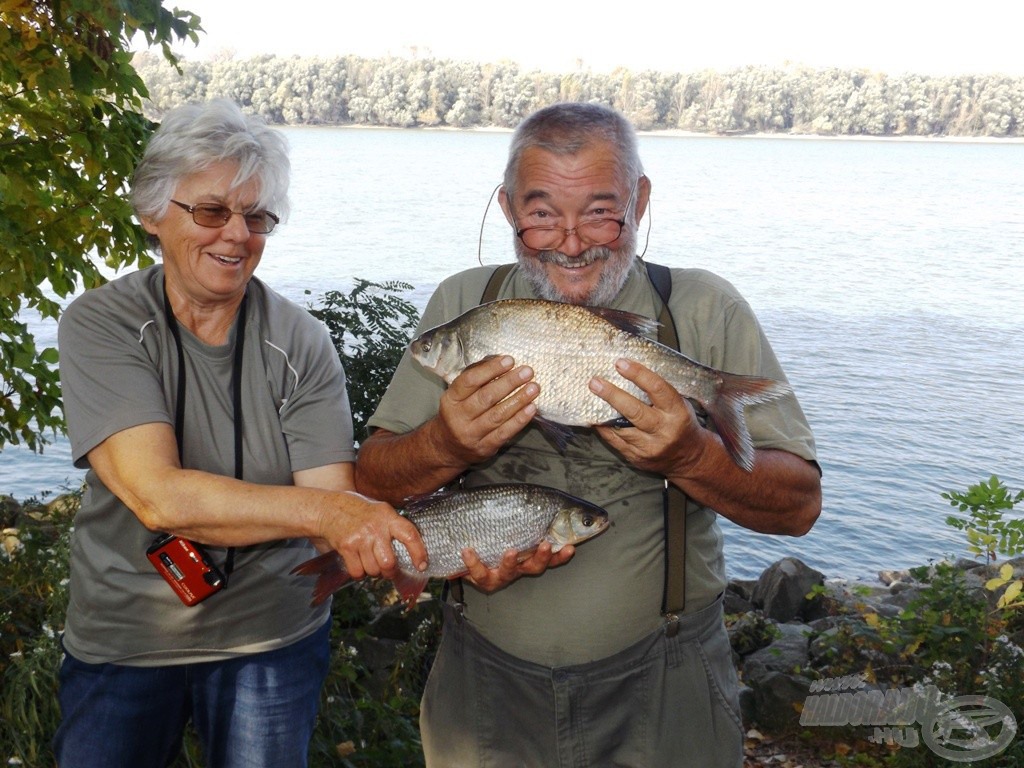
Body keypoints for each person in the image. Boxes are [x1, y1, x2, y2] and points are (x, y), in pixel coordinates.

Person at [356, 102, 822, 767]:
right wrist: (448, 444)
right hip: (484, 687)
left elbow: (799, 506)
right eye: (542, 214)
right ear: (507, 206)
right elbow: (372, 481)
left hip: (665, 692)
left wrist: (695, 457)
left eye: (601, 211)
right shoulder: (466, 306)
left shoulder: (703, 309)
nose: (571, 242)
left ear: (641, 199)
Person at [53, 99, 426, 768]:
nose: (235, 236)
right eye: (211, 210)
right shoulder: (101, 325)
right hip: (126, 640)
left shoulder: (300, 342)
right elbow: (157, 498)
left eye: (256, 217)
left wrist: (375, 533)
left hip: (269, 642)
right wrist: (335, 514)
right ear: (151, 214)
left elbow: (328, 516)